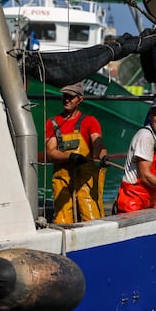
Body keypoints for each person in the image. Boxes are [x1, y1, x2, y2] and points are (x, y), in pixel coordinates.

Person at [45, 82, 108, 224]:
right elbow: (51, 153)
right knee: (61, 221)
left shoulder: (90, 122)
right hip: (63, 182)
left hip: (85, 182)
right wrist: (70, 156)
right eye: (65, 96)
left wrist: (103, 155)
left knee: (92, 220)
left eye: (71, 97)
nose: (67, 99)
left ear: (80, 99)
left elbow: (98, 143)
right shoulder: (53, 123)